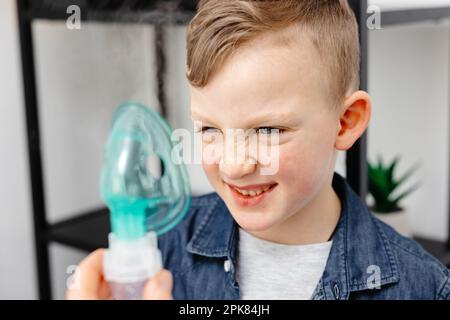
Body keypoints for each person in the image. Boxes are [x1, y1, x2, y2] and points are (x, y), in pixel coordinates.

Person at [67, 0, 450, 300]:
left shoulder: (423, 287)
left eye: (267, 130)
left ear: (346, 121)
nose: (233, 167)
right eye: (209, 129)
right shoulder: (165, 248)